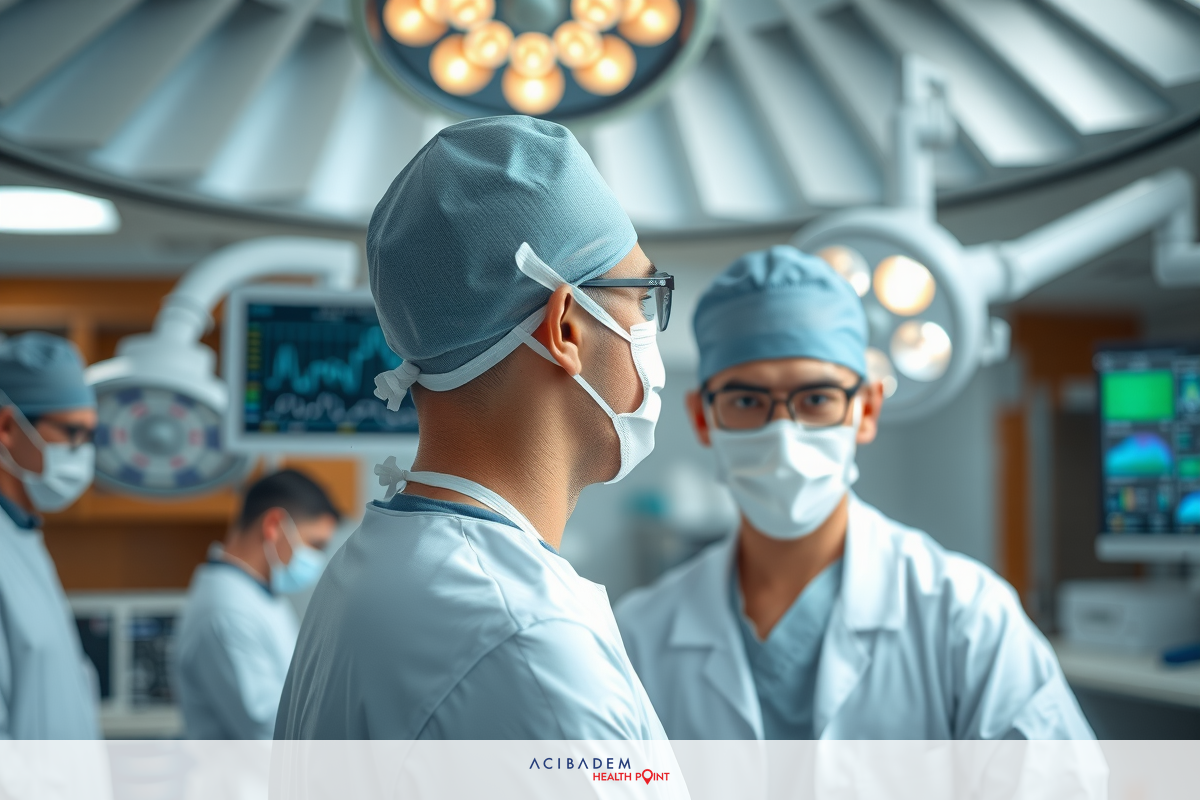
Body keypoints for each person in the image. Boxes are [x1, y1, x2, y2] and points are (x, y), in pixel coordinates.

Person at [274, 115, 674, 739]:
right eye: (642, 297)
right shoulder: (529, 642)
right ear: (566, 325)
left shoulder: (370, 571)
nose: (648, 327)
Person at [615, 245, 1094, 740]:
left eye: (817, 398)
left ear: (865, 409)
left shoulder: (968, 620)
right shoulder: (639, 637)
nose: (784, 432)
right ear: (702, 417)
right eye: (746, 399)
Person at [174, 468, 339, 739]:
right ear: (273, 526)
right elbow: (268, 729)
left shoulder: (257, 595)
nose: (317, 558)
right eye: (315, 544)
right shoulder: (227, 611)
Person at [0, 332, 101, 739]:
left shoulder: (23, 537)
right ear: (7, 427)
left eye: (90, 437)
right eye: (72, 433)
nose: (83, 452)